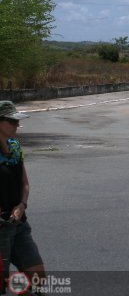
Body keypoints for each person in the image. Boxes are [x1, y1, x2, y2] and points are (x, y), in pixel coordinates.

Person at [0, 101, 45, 294]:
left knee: (37, 278)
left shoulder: (15, 146)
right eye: (12, 121)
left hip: (19, 223)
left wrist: (22, 205)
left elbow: (25, 183)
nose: (17, 125)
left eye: (17, 121)